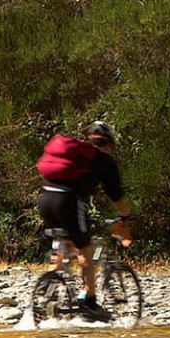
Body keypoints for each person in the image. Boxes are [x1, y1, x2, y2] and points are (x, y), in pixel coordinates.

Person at [35, 120, 133, 322]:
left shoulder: (78, 155)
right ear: (109, 144)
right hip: (67, 201)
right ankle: (89, 301)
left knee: (66, 244)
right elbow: (116, 194)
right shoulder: (103, 160)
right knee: (85, 250)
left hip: (45, 198)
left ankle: (49, 287)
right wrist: (125, 217)